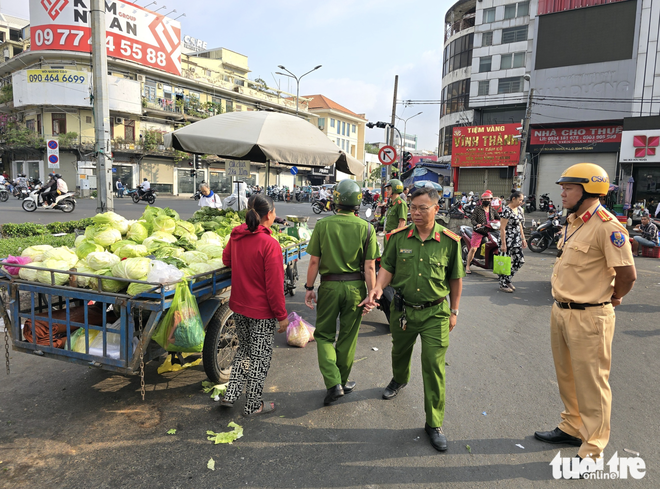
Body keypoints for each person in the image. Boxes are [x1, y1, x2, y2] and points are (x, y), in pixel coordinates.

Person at [534, 163, 637, 474]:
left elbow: (627, 274)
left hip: (590, 315)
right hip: (562, 311)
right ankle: (571, 426)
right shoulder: (574, 221)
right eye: (563, 186)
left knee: (592, 384)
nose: (562, 192)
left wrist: (615, 297)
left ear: (589, 190)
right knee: (567, 376)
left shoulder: (607, 226)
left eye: (569, 187)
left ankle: (593, 448)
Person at [360, 187, 464, 452]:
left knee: (433, 364)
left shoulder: (450, 241)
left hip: (436, 313)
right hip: (404, 310)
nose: (415, 213)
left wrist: (454, 311)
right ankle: (399, 379)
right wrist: (377, 288)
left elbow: (455, 278)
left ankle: (434, 423)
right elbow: (388, 268)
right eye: (412, 207)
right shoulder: (397, 238)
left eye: (422, 208)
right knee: (400, 351)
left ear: (436, 209)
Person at [304, 180, 379, 405]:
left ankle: (334, 382)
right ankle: (342, 381)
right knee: (348, 336)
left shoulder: (322, 225)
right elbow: (370, 267)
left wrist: (309, 288)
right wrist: (370, 294)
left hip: (329, 286)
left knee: (325, 335)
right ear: (358, 203)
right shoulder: (367, 228)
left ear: (335, 200)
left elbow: (314, 261)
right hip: (356, 289)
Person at [220, 194, 288, 416]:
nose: (275, 215)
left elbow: (226, 260)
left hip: (239, 306)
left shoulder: (237, 236)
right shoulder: (270, 244)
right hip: (260, 312)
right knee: (259, 358)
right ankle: (253, 405)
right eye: (274, 211)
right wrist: (282, 316)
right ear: (268, 215)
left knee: (245, 351)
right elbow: (275, 287)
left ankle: (231, 394)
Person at [498, 191, 527, 292]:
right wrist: (503, 244)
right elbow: (502, 228)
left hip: (517, 239)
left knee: (520, 260)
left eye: (522, 200)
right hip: (507, 239)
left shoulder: (519, 209)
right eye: (520, 200)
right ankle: (502, 284)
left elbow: (520, 225)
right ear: (513, 199)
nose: (521, 202)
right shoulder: (506, 210)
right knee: (504, 263)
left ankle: (507, 279)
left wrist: (523, 238)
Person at [465, 191, 500, 274]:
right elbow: (472, 219)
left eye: (488, 199)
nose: (487, 200)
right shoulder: (478, 209)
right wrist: (477, 224)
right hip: (479, 231)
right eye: (485, 199)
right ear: (482, 200)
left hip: (490, 231)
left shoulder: (492, 210)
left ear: (491, 200)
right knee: (473, 248)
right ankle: (467, 266)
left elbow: (498, 218)